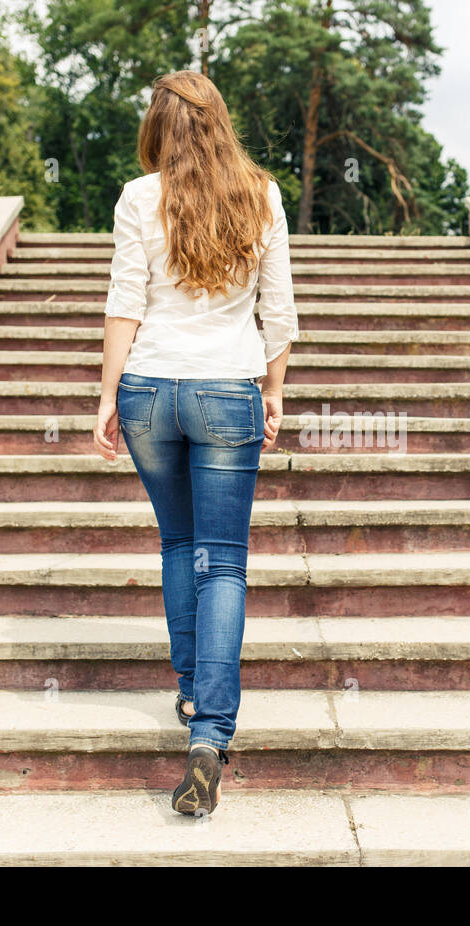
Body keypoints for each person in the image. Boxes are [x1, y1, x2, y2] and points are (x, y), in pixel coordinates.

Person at [92, 70, 299, 816]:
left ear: (158, 125)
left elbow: (125, 304)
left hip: (150, 391)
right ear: (221, 122)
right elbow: (279, 313)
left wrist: (107, 396)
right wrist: (272, 390)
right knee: (226, 563)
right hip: (225, 391)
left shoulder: (137, 196)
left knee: (179, 545)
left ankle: (188, 691)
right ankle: (209, 736)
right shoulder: (261, 195)